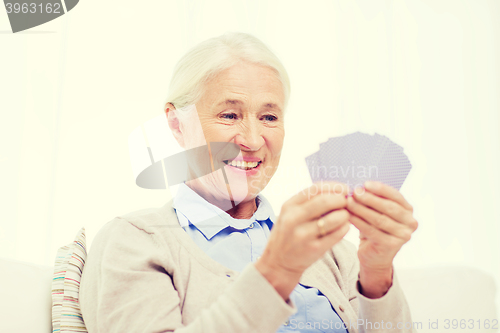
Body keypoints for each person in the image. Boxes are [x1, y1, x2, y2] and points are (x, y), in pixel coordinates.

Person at [79, 32, 418, 333]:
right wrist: (277, 271)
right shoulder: (136, 240)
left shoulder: (334, 252)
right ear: (177, 125)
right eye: (230, 115)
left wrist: (376, 274)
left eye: (269, 117)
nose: (253, 140)